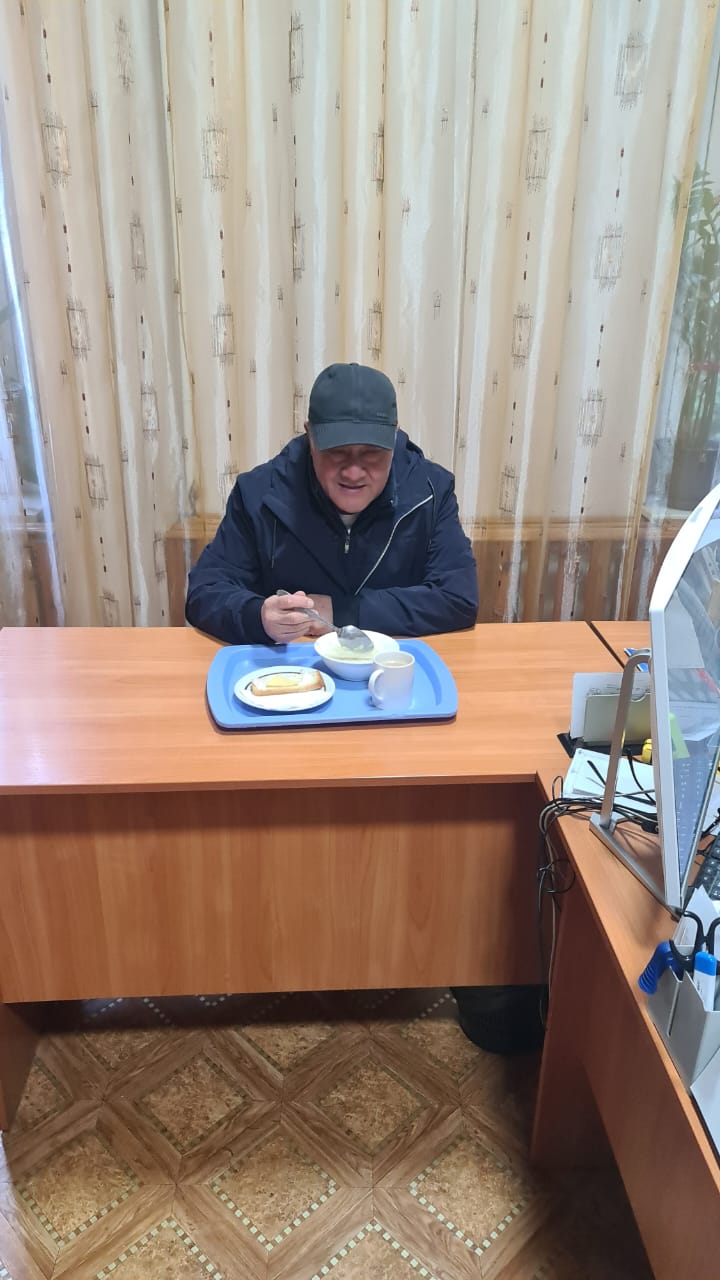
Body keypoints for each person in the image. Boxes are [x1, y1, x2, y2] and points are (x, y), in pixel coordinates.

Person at [185, 361, 478, 644]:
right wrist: (257, 616)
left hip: (395, 663)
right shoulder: (259, 493)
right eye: (337, 451)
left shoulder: (430, 491)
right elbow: (205, 592)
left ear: (394, 435)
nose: (353, 473)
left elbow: (458, 597)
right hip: (290, 665)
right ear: (309, 436)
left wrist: (342, 612)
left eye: (372, 453)